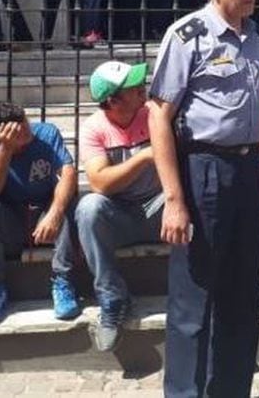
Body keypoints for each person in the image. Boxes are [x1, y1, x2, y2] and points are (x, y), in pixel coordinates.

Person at [148, 0, 259, 397]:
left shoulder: (254, 34)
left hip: (247, 172)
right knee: (193, 299)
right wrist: (175, 198)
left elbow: (256, 100)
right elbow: (159, 116)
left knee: (243, 295)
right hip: (204, 172)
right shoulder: (188, 36)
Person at [75, 60, 162, 351]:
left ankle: (205, 289)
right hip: (121, 213)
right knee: (88, 207)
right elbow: (100, 182)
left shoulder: (153, 113)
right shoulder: (93, 128)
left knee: (197, 195)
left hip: (160, 206)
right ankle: (112, 299)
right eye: (133, 88)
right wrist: (143, 157)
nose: (142, 89)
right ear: (113, 100)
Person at [0, 101, 80, 325]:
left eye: (25, 122)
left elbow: (68, 174)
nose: (27, 130)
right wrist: (5, 149)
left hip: (43, 213)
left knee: (67, 202)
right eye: (18, 129)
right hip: (9, 216)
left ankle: (63, 280)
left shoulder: (46, 133)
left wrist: (54, 213)